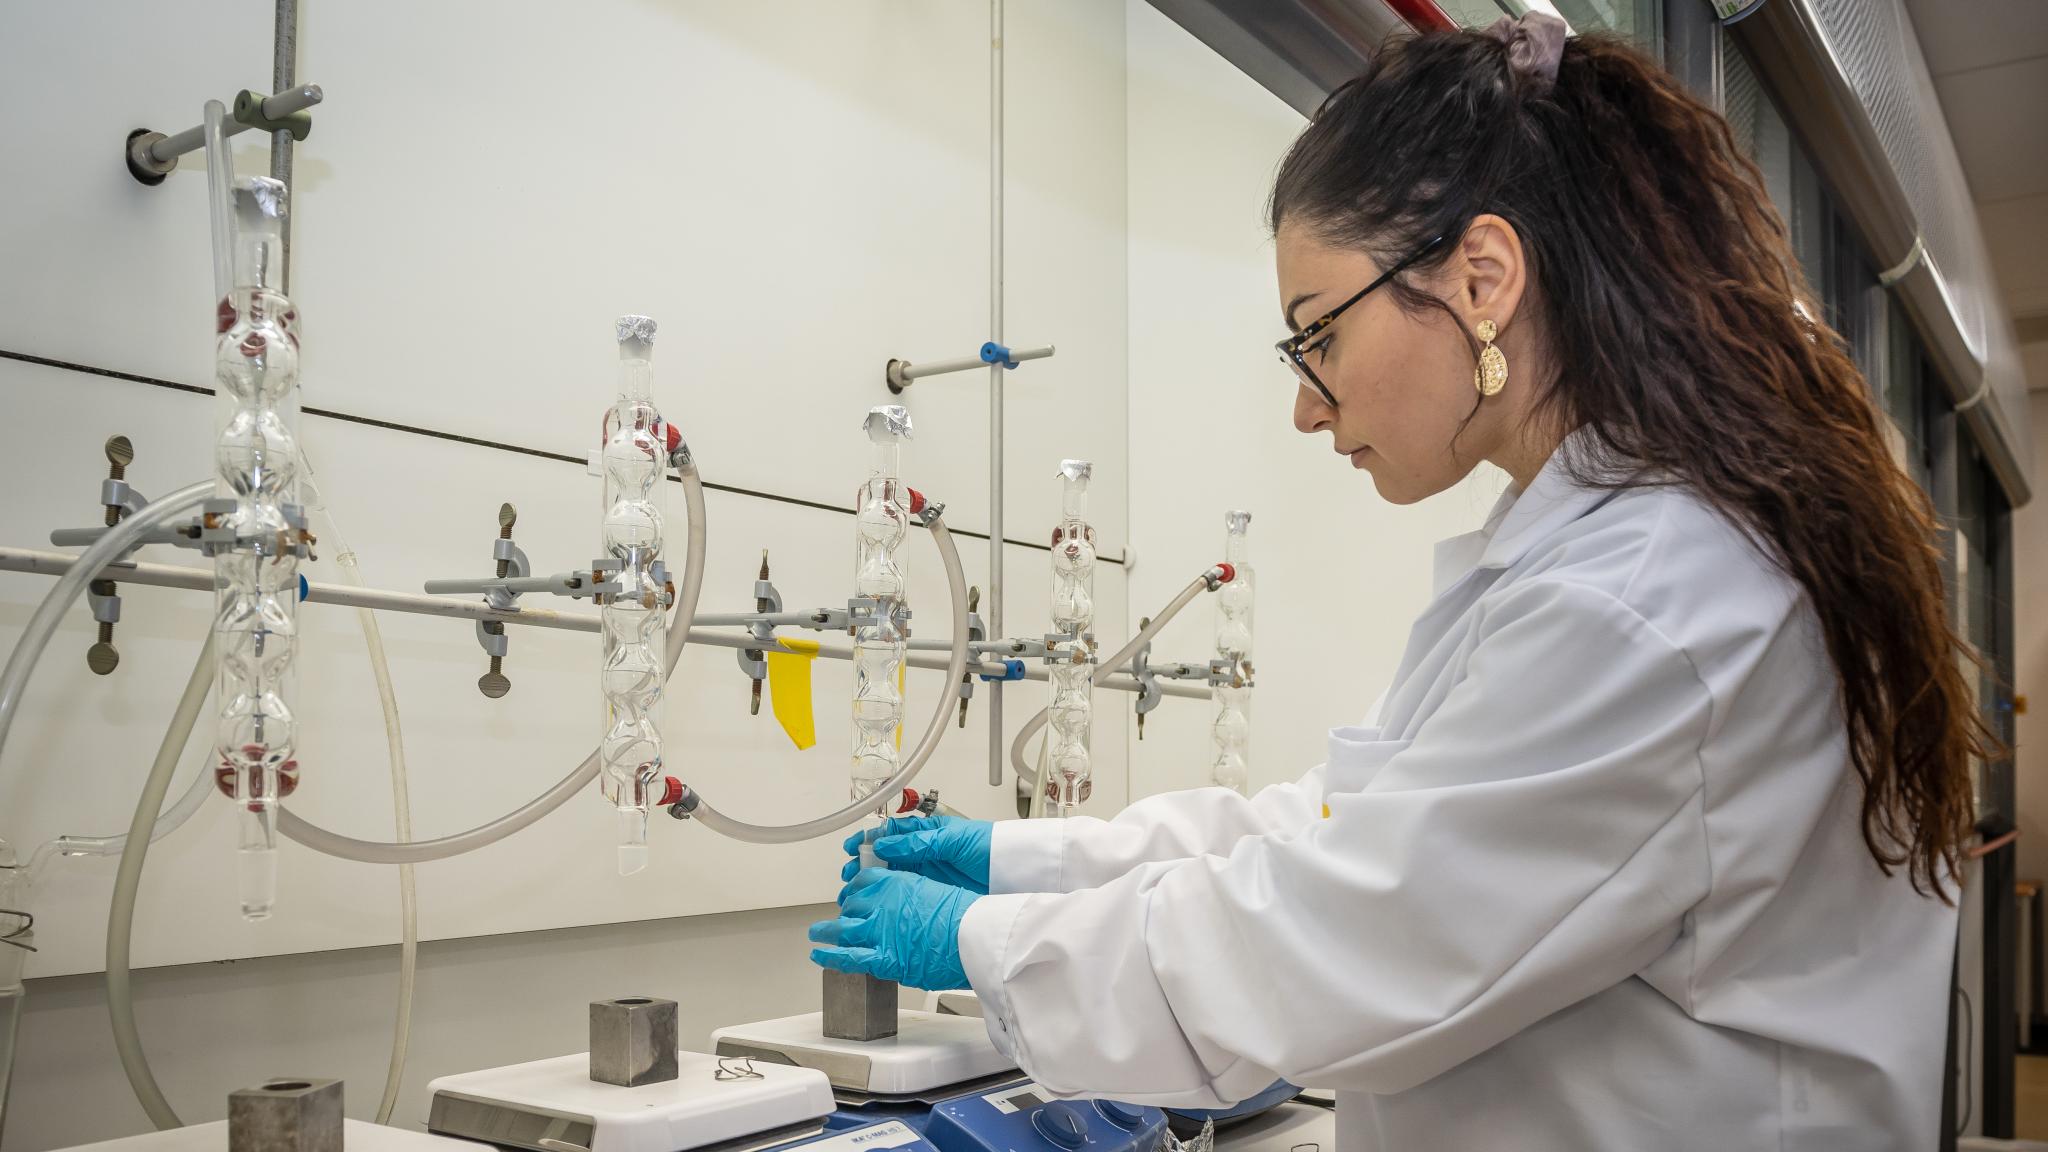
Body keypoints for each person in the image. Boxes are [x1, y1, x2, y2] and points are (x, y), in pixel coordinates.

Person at [809, 13, 1990, 1150]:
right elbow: (1340, 831)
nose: (1306, 402)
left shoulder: (1645, 596)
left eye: (1317, 333)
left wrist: (986, 941)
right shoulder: (1599, 548)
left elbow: (1343, 935)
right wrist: (1023, 860)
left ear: (1481, 279)